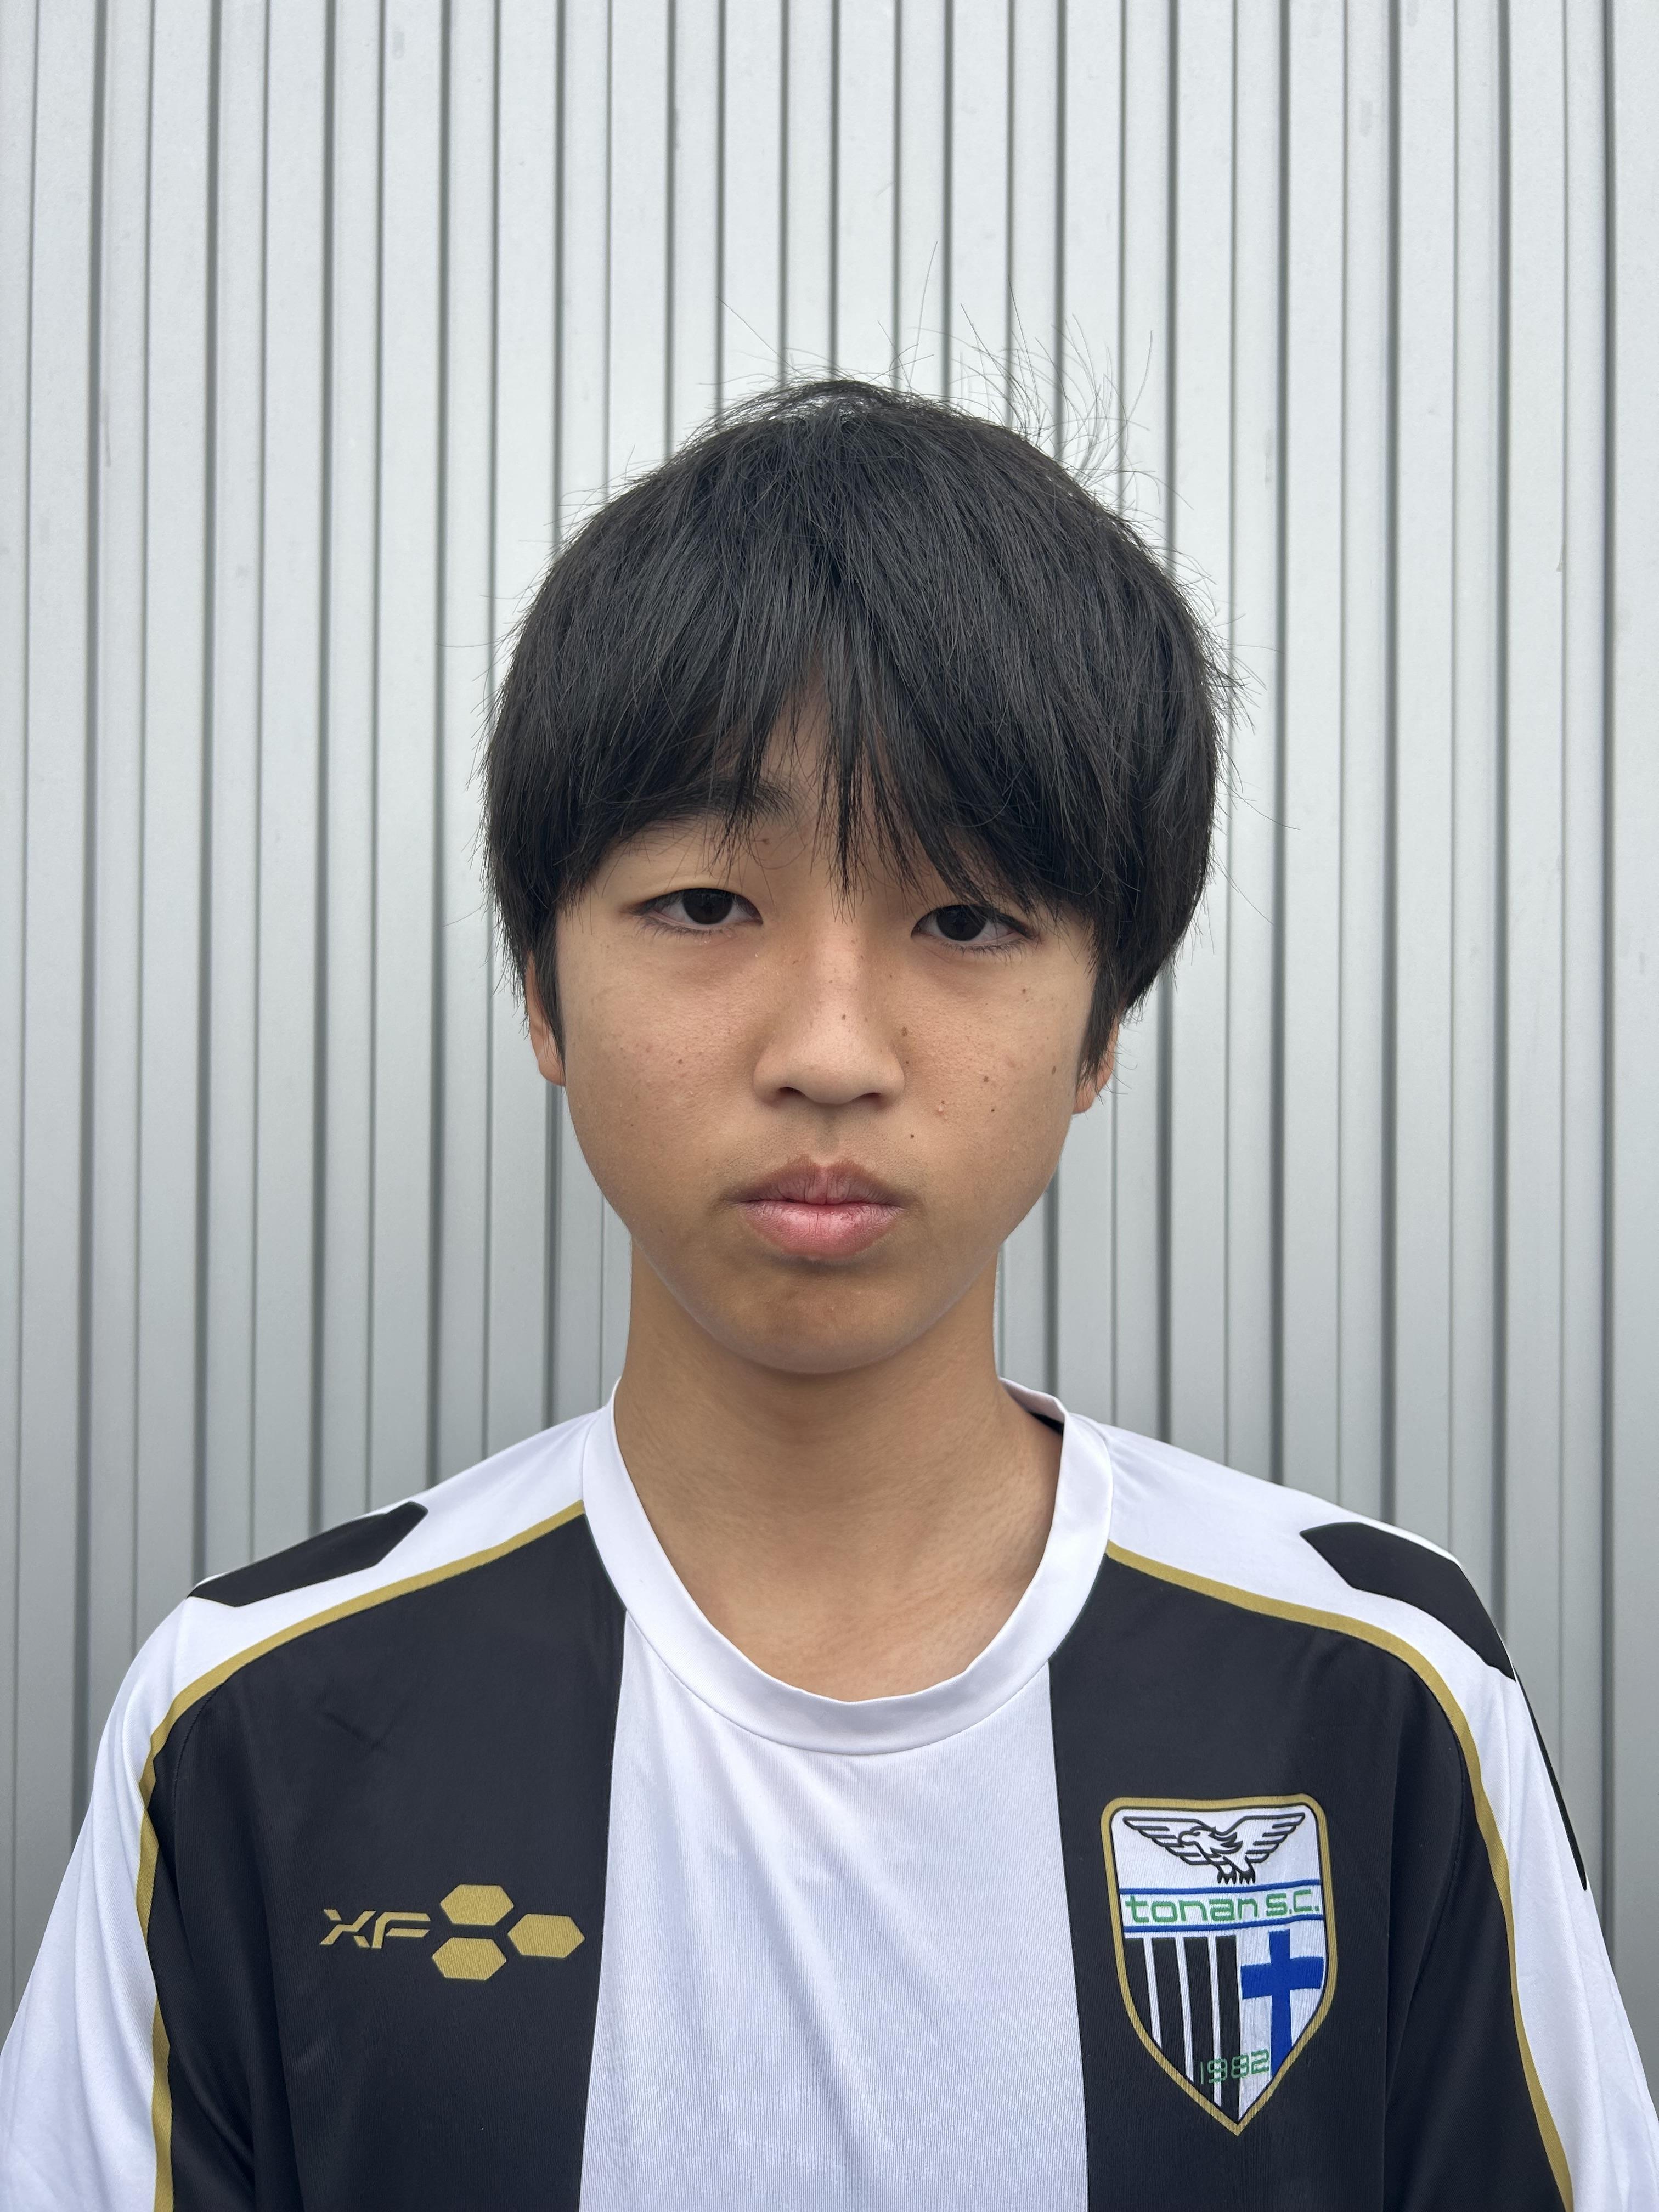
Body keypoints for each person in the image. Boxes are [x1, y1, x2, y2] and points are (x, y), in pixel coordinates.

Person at [1, 379, 1654, 2211]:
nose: (832, 1050)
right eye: (709, 905)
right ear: (543, 991)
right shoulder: (255, 1718)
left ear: (1101, 1028)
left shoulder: (1376, 1687)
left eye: (967, 921)